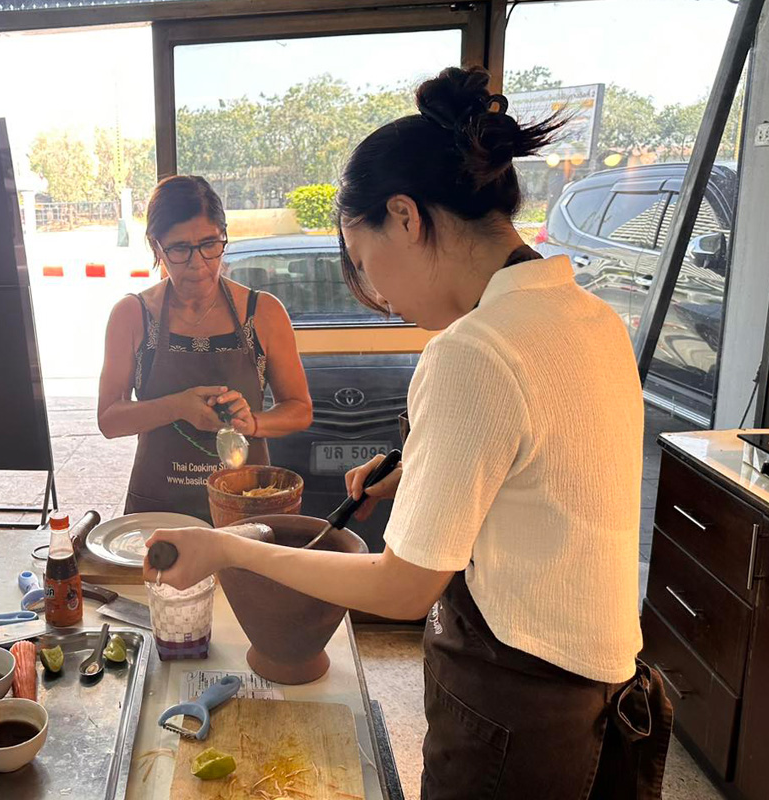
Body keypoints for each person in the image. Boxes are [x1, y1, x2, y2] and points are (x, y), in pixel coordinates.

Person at [143, 68, 671, 798]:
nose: (382, 298)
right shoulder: (589, 317)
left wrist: (225, 548)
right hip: (607, 697)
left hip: (518, 714)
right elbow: (548, 480)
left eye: (366, 264)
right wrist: (422, 472)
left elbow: (402, 588)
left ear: (405, 217)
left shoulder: (474, 349)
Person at [98, 176, 312, 522]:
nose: (197, 263)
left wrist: (253, 423)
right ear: (156, 247)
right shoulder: (132, 315)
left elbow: (300, 409)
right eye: (180, 249)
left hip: (245, 507)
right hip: (159, 510)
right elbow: (109, 419)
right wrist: (178, 406)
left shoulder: (263, 313)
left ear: (223, 237)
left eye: (209, 244)